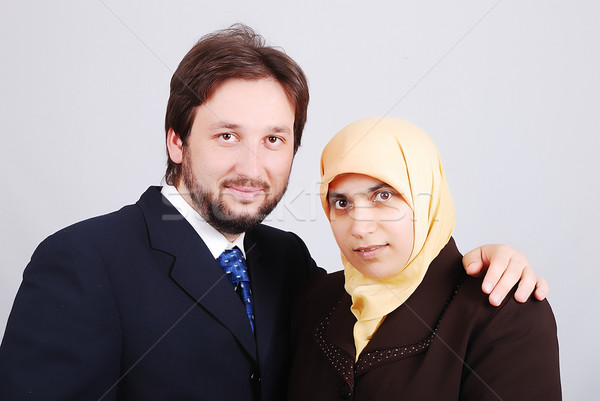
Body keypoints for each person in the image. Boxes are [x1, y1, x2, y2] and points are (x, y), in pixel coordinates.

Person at [0, 25, 547, 401]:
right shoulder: (82, 262)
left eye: (274, 139)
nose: (251, 166)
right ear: (175, 140)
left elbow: (385, 287)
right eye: (226, 135)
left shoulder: (285, 261)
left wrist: (481, 258)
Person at [287, 116, 561, 400]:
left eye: (383, 195)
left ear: (428, 200)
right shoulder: (314, 300)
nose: (359, 227)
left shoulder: (505, 312)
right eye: (341, 203)